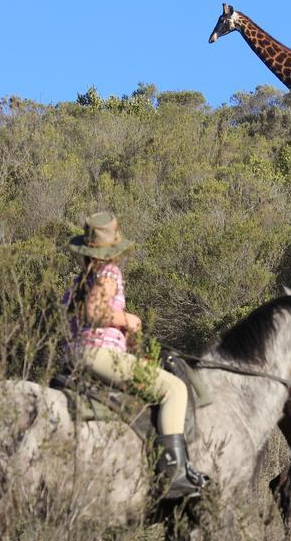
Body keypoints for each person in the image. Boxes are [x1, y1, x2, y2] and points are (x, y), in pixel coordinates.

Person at [64, 212, 205, 499]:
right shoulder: (108, 274)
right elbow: (95, 312)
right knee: (175, 389)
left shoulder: (80, 280)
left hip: (75, 355)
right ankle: (175, 476)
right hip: (100, 354)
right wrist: (129, 320)